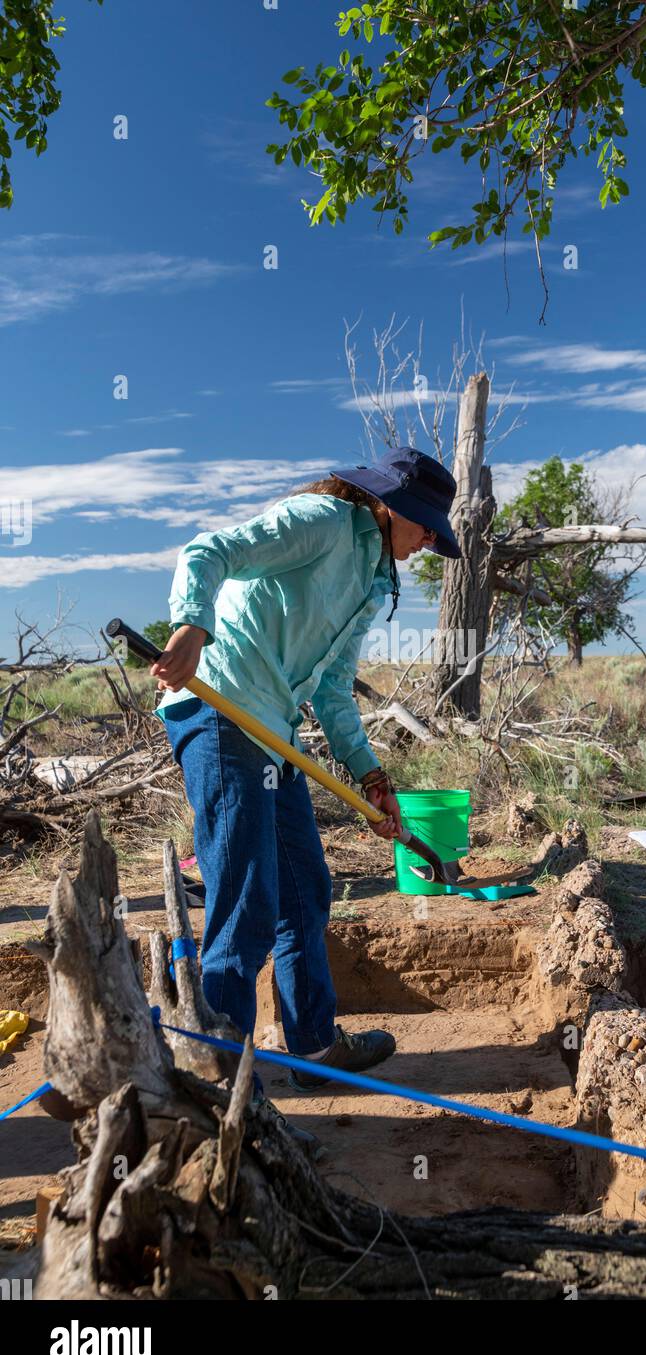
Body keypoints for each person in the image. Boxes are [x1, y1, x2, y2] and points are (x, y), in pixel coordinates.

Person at [150, 447, 461, 1099]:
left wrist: (370, 774)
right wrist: (190, 630)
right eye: (426, 522)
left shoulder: (375, 581)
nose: (431, 537)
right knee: (246, 900)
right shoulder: (321, 521)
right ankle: (212, 1086)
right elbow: (207, 552)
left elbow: (334, 691)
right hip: (220, 710)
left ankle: (314, 1048)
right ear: (389, 504)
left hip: (275, 735)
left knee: (304, 892)